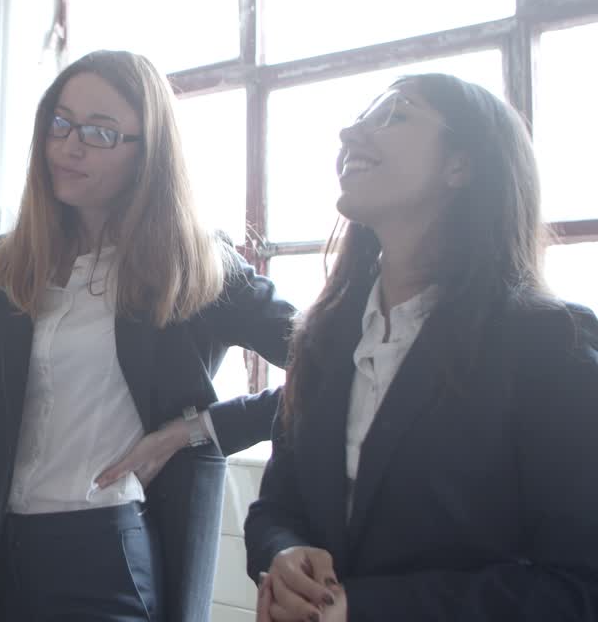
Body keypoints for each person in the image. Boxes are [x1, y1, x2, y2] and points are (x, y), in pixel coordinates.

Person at [0, 50, 295, 622]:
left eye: (100, 132)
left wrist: (196, 430)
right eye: (61, 123)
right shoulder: (4, 262)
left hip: (107, 554)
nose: (70, 146)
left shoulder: (191, 263)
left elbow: (338, 367)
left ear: (148, 153)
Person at [244, 74, 598, 621]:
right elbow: (276, 506)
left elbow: (577, 587)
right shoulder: (323, 335)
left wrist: (361, 608)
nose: (349, 133)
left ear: (460, 165)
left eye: (396, 113)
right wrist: (283, 554)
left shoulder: (550, 344)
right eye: (360, 117)